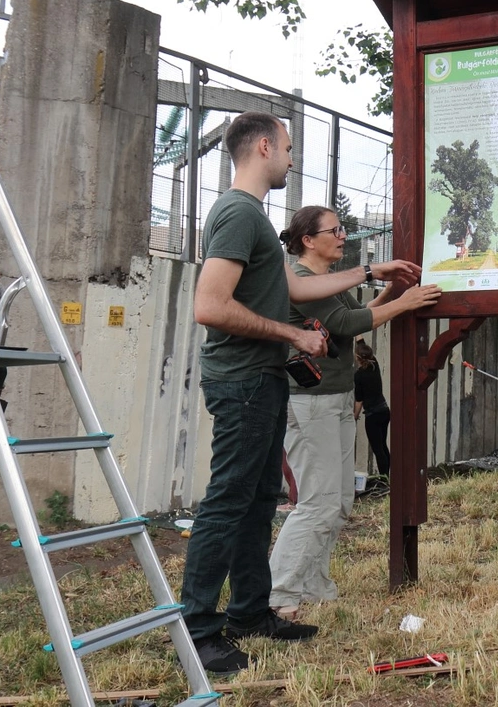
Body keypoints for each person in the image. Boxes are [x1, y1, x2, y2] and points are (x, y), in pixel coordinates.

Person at [184, 112, 421, 674]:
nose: (292, 159)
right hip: (241, 380)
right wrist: (292, 333)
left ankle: (248, 613)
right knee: (228, 502)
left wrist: (369, 271)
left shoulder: (253, 219)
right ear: (264, 146)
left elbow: (295, 285)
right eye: (288, 148)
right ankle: (197, 629)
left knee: (259, 500)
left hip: (263, 380)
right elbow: (209, 306)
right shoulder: (239, 214)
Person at [268, 206, 440, 621]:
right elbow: (345, 322)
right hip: (312, 405)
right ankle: (278, 593)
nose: (344, 235)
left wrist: (391, 296)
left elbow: (355, 320)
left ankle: (312, 584)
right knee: (317, 501)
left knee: (339, 499)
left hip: (336, 399)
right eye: (336, 229)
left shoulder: (324, 282)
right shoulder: (306, 282)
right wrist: (407, 302)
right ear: (309, 240)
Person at [353, 339, 391, 479]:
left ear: (357, 358)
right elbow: (362, 345)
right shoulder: (375, 365)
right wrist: (359, 336)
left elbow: (359, 400)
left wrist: (354, 417)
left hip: (373, 415)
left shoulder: (359, 375)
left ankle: (383, 479)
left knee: (378, 449)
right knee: (383, 445)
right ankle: (389, 476)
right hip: (384, 411)